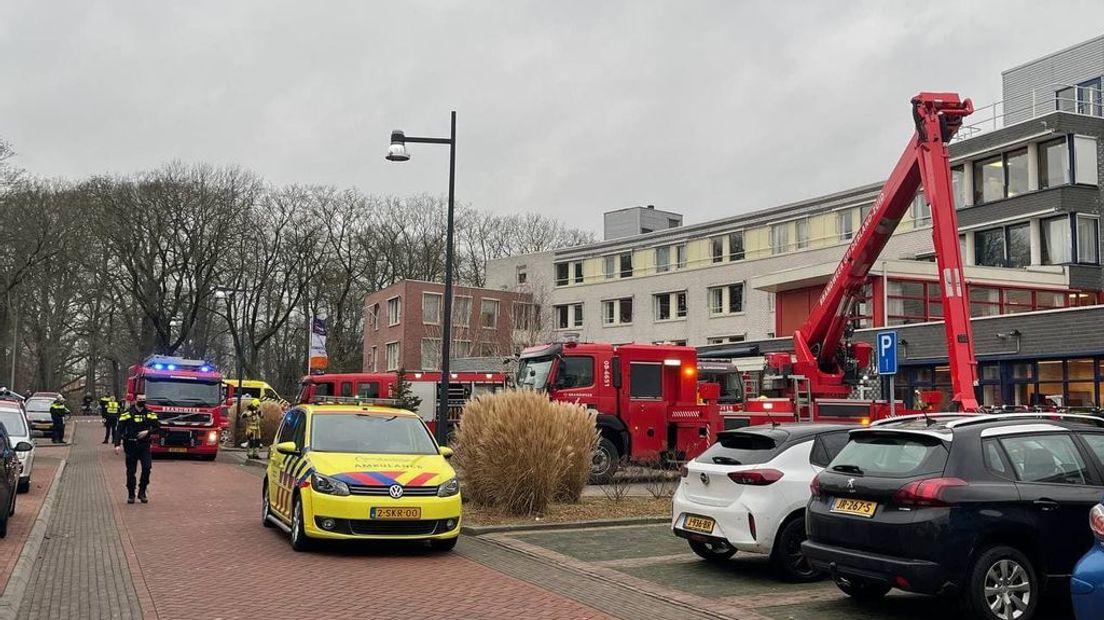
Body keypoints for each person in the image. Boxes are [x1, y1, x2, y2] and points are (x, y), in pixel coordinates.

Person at [114, 395, 159, 504]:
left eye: (144, 400)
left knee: (147, 468)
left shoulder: (150, 413)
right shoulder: (127, 414)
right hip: (130, 445)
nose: (142, 401)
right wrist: (117, 444)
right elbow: (119, 429)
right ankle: (131, 494)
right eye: (140, 400)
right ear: (134, 400)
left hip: (144, 445)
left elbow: (158, 427)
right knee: (131, 471)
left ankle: (142, 491)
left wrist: (148, 432)